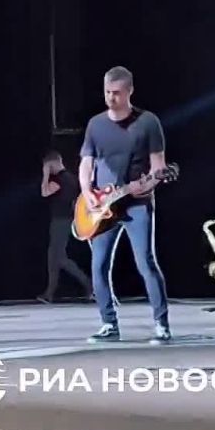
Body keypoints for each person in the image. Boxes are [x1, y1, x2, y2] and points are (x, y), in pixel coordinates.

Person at [79, 66, 171, 344]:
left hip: (137, 204)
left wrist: (148, 185)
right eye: (107, 92)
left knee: (145, 262)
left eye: (117, 93)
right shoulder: (95, 124)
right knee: (98, 266)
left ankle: (161, 324)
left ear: (130, 91)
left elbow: (158, 167)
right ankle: (108, 324)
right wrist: (87, 192)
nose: (111, 98)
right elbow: (86, 163)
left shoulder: (148, 122)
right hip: (102, 206)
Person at [39, 150, 92, 303]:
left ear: (53, 163)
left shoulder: (61, 179)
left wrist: (45, 173)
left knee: (59, 258)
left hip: (61, 221)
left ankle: (89, 284)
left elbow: (44, 192)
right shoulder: (71, 178)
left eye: (49, 166)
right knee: (53, 258)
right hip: (65, 220)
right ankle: (49, 293)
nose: (49, 169)